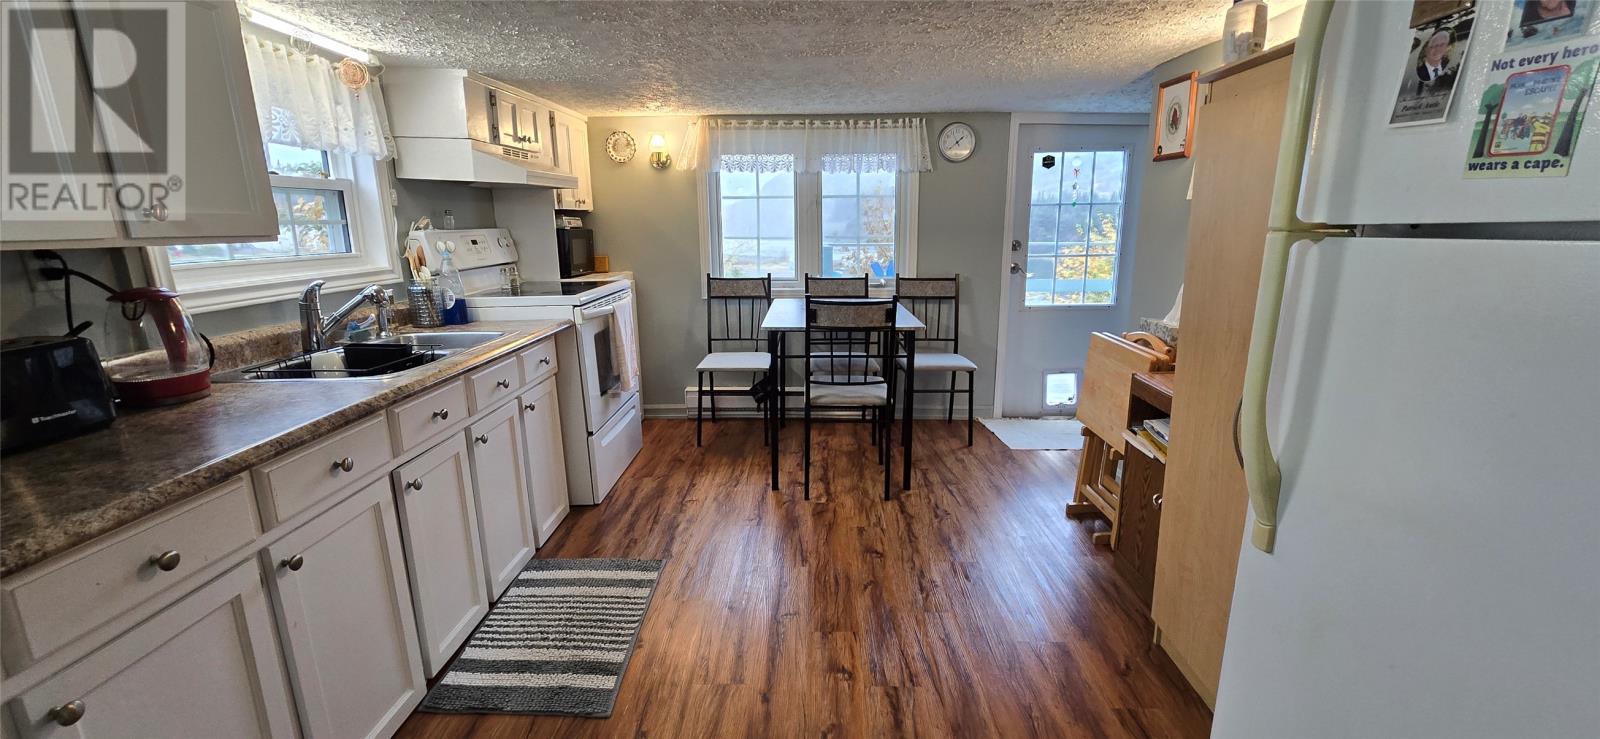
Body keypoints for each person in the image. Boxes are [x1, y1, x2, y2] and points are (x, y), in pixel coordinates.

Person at [1414, 29, 1457, 94]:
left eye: (1441, 45)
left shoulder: (1446, 66)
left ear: (1446, 49)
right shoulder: (1421, 72)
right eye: (1433, 46)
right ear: (1426, 50)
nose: (1437, 49)